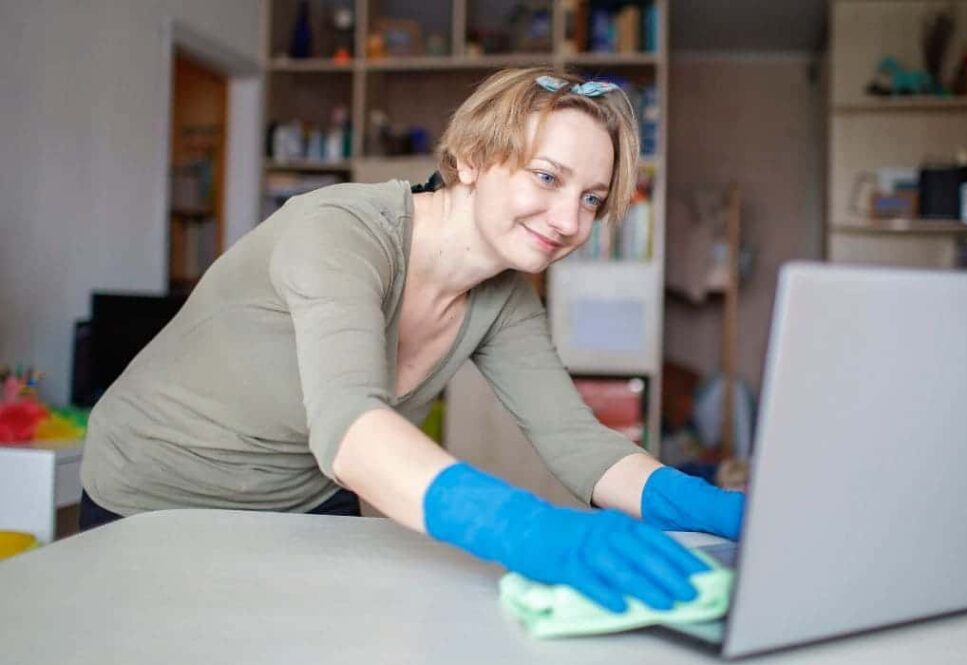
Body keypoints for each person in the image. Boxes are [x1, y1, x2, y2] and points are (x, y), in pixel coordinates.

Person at [79, 67, 743, 613]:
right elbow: (352, 430)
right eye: (548, 177)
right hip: (157, 491)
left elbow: (578, 442)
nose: (571, 219)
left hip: (300, 499)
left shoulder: (502, 296)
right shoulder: (338, 232)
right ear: (471, 159)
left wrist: (725, 509)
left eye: (593, 198)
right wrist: (530, 530)